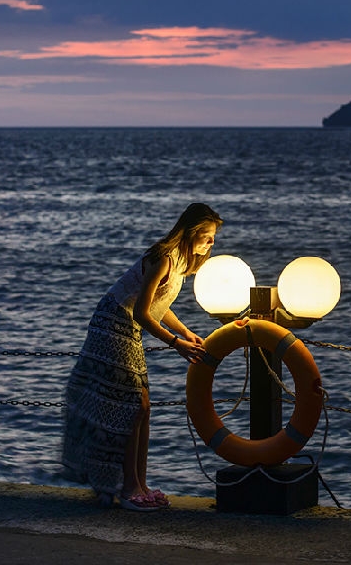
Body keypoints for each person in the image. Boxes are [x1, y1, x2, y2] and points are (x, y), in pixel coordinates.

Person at [61, 203, 222, 511]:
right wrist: (176, 343)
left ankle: (140, 484)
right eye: (207, 235)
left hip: (129, 328)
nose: (211, 243)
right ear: (190, 232)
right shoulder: (164, 258)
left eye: (213, 236)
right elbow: (142, 312)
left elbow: (160, 305)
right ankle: (129, 488)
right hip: (113, 323)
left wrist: (186, 332)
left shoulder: (180, 265)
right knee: (135, 404)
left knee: (143, 406)